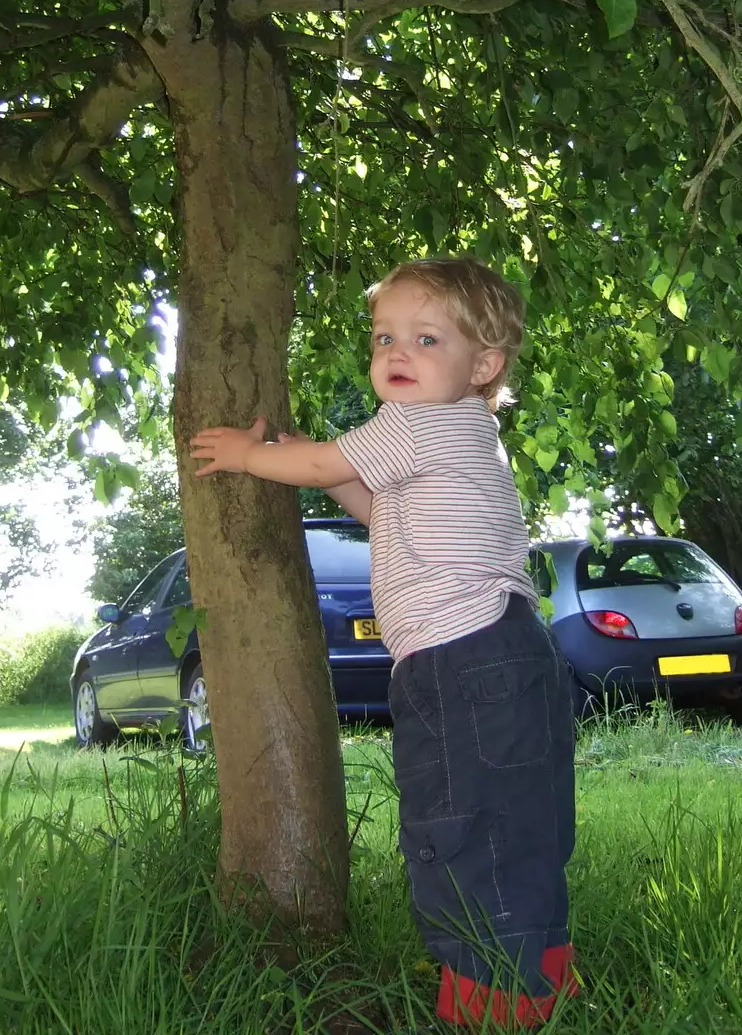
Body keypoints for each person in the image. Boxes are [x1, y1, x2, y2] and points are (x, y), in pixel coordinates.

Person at [190, 256, 578, 1029]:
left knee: (462, 831)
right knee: (513, 832)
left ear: (485, 365)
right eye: (384, 337)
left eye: (426, 339)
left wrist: (246, 455)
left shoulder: (419, 423)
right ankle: (536, 990)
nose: (397, 353)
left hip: (460, 663)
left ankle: (491, 1009)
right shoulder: (463, 435)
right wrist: (311, 464)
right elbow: (373, 505)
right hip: (499, 657)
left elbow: (325, 463)